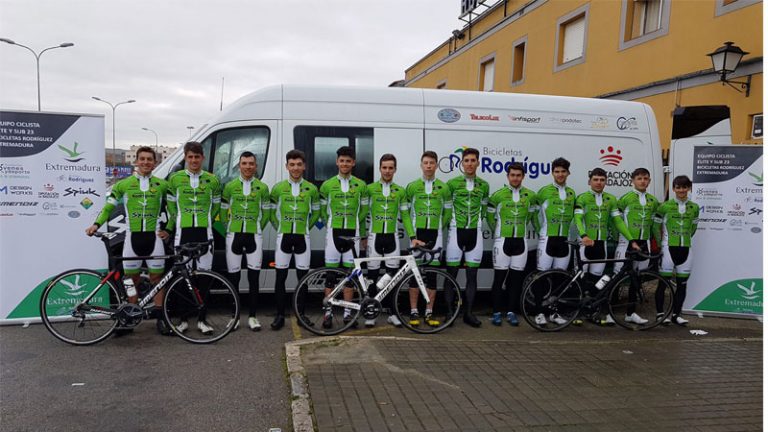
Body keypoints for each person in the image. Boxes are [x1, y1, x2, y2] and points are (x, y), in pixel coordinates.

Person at [86, 146, 170, 335]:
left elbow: (174, 209)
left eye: (150, 159)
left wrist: (169, 229)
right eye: (143, 159)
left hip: (154, 238)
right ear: (137, 162)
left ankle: (161, 318)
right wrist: (96, 224)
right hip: (132, 239)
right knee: (131, 279)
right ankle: (131, 318)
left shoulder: (162, 185)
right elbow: (108, 208)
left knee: (158, 279)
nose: (146, 162)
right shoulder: (123, 185)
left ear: (155, 163)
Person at [164, 141, 221, 334]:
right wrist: (176, 223)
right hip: (183, 233)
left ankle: (203, 320)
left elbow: (216, 207)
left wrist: (207, 221)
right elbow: (170, 206)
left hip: (205, 233)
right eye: (190, 157)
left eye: (197, 157)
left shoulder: (213, 180)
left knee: (204, 279)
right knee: (182, 278)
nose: (194, 160)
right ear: (186, 158)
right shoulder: (175, 179)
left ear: (202, 158)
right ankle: (183, 320)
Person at [574, 167, 639, 326]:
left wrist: (631, 240)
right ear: (590, 181)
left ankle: (592, 311)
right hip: (585, 245)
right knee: (580, 280)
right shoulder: (582, 198)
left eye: (602, 180)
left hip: (601, 245)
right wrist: (584, 235)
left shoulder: (611, 199)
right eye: (595, 179)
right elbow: (578, 218)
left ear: (606, 182)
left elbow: (618, 222)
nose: (598, 183)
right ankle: (577, 313)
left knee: (598, 280)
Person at [219, 152, 271, 331]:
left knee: (253, 278)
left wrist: (257, 228)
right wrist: (229, 227)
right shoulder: (230, 186)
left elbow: (266, 214)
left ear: (256, 166)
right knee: (233, 278)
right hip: (234, 235)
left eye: (251, 164)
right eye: (244, 163)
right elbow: (223, 210)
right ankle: (234, 317)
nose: (248, 167)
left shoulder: (262, 188)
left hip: (254, 236)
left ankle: (253, 316)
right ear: (239, 166)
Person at [319, 146, 369, 328]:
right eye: (342, 160)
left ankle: (348, 313)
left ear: (353, 163)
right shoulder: (327, 185)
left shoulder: (361, 185)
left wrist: (361, 233)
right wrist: (330, 223)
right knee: (330, 275)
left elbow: (364, 211)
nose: (345, 164)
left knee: (350, 276)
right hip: (334, 233)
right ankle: (328, 313)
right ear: (337, 162)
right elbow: (323, 212)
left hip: (353, 234)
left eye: (348, 161)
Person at [270, 149, 320, 330]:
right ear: (286, 166)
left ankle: (301, 314)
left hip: (302, 237)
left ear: (304, 166)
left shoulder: (312, 189)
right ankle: (279, 315)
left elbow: (316, 213)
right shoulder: (277, 188)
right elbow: (271, 214)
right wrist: (279, 228)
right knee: (280, 277)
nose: (296, 168)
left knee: (302, 278)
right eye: (292, 164)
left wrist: (306, 227)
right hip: (283, 236)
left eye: (299, 164)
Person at [364, 153, 413, 327]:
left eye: (390, 168)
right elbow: (362, 214)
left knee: (393, 277)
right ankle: (371, 313)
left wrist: (413, 236)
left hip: (392, 238)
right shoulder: (369, 189)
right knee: (371, 277)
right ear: (379, 168)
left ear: (395, 169)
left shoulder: (400, 191)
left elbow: (406, 215)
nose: (387, 171)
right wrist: (363, 235)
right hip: (374, 237)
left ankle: (392, 312)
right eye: (384, 167)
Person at [404, 151, 452, 328]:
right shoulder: (412, 186)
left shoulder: (444, 188)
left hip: (435, 235)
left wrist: (439, 228)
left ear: (437, 165)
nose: (429, 166)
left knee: (432, 275)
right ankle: (414, 312)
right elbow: (406, 215)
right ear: (421, 165)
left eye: (432, 163)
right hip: (417, 235)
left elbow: (447, 213)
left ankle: (429, 312)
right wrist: (412, 236)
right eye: (426, 163)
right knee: (415, 275)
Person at [486, 162, 537, 327]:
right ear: (508, 176)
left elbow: (530, 217)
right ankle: (495, 312)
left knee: (516, 280)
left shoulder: (531, 196)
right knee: (499, 279)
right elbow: (490, 218)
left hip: (520, 242)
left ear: (523, 176)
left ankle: (511, 312)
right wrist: (499, 232)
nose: (515, 178)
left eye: (518, 175)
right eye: (512, 175)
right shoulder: (498, 195)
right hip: (502, 242)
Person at [445, 147, 489, 328]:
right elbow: (446, 209)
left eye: (473, 160)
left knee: (472, 275)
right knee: (451, 275)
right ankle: (449, 313)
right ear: (461, 163)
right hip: (456, 232)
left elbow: (485, 209)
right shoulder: (452, 184)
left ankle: (469, 313)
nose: (470, 164)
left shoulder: (484, 185)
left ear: (478, 163)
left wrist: (478, 223)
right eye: (467, 161)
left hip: (475, 233)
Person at [534, 157, 576, 326]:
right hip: (547, 240)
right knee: (541, 278)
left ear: (568, 173)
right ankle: (539, 313)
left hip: (564, 241)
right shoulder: (543, 192)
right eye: (557, 171)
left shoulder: (572, 194)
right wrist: (541, 233)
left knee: (560, 279)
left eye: (563, 171)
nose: (560, 174)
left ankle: (554, 313)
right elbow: (533, 216)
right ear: (552, 173)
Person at [653, 175, 699, 326]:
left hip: (686, 249)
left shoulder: (694, 207)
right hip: (668, 249)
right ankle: (660, 314)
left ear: (689, 188)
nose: (681, 190)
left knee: (682, 284)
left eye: (684, 187)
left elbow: (693, 228)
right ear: (673, 189)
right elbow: (655, 227)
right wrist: (661, 244)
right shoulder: (664, 207)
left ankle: (676, 315)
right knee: (663, 283)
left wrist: (684, 239)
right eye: (678, 187)